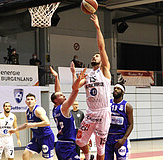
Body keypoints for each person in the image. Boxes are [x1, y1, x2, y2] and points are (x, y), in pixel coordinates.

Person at [71, 14, 111, 160]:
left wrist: (97, 26)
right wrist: (75, 75)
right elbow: (75, 88)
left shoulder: (105, 70)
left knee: (101, 147)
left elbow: (101, 46)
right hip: (90, 112)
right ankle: (87, 157)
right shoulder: (87, 75)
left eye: (97, 56)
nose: (95, 57)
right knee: (79, 140)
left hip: (103, 112)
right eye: (93, 56)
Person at [50, 64, 86, 160]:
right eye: (62, 96)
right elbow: (75, 91)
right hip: (66, 145)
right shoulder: (64, 108)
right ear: (57, 101)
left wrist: (56, 77)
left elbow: (56, 93)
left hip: (61, 144)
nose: (64, 96)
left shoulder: (55, 108)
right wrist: (77, 79)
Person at [9, 93, 54, 160]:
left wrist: (33, 124)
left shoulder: (38, 110)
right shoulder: (27, 111)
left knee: (48, 158)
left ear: (35, 101)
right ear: (25, 102)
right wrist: (16, 129)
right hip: (36, 137)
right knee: (25, 154)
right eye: (28, 99)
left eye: (32, 99)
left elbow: (47, 122)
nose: (30, 101)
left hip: (46, 137)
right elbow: (27, 125)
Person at [105, 83, 133, 160]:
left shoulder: (127, 106)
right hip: (108, 137)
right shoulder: (107, 104)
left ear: (123, 92)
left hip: (120, 137)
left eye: (118, 88)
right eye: (114, 88)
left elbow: (131, 125)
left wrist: (124, 139)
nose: (115, 90)